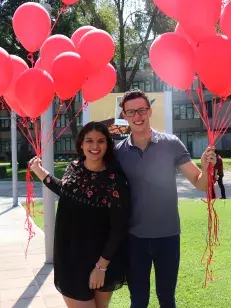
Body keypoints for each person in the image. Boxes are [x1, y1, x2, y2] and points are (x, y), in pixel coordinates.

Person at [114, 89, 216, 308]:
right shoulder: (118, 152)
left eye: (142, 110)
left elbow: (200, 183)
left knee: (167, 298)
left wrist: (206, 169)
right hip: (133, 238)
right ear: (125, 115)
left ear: (150, 111)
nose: (137, 116)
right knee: (138, 300)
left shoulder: (171, 144)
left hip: (168, 236)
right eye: (131, 112)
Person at [29, 122, 130, 308]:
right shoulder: (74, 167)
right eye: (89, 140)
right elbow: (67, 191)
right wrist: (39, 171)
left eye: (101, 141)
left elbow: (119, 228)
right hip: (72, 257)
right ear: (81, 144)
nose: (94, 146)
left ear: (107, 144)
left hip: (103, 259)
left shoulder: (115, 180)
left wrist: (101, 267)